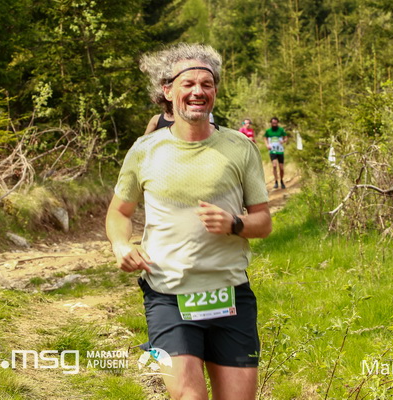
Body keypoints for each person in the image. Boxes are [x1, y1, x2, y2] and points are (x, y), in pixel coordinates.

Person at [106, 43, 271, 400]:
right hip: (167, 296)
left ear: (215, 92)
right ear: (167, 91)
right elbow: (119, 212)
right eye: (189, 83)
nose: (198, 91)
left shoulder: (240, 148)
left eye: (207, 84)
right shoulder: (144, 150)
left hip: (231, 294)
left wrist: (235, 224)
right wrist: (121, 244)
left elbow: (264, 222)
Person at [264, 117, 288, 189]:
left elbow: (286, 138)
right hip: (272, 150)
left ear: (277, 123)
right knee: (274, 165)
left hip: (280, 150)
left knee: (281, 167)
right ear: (271, 123)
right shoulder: (268, 131)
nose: (274, 124)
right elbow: (265, 138)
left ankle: (281, 180)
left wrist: (283, 141)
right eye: (273, 123)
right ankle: (276, 181)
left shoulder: (281, 130)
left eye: (275, 123)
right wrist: (267, 145)